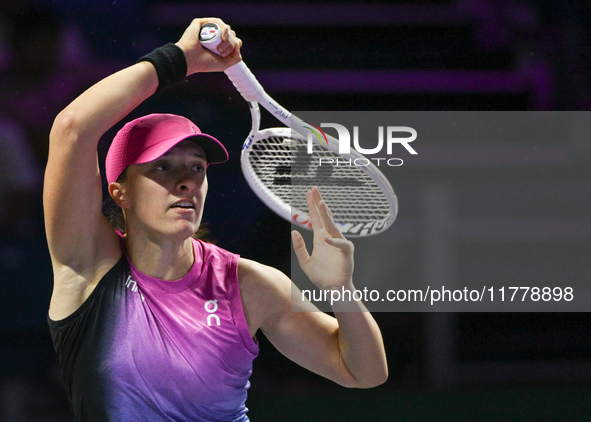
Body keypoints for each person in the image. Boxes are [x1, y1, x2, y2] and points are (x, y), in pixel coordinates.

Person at [44, 18, 387, 421]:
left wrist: (341, 289)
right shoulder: (87, 269)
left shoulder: (247, 285)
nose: (185, 182)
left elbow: (362, 373)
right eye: (162, 168)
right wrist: (179, 59)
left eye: (196, 169)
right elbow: (72, 129)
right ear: (121, 193)